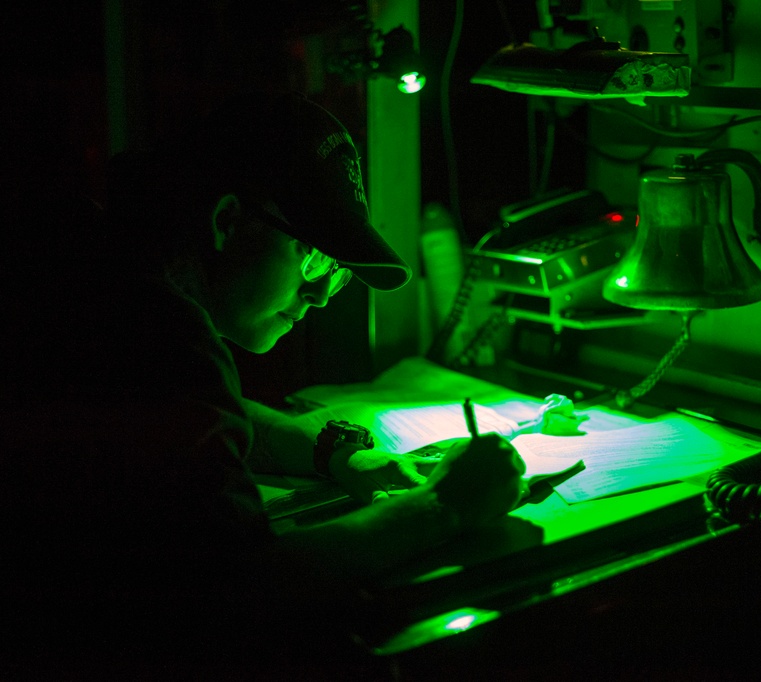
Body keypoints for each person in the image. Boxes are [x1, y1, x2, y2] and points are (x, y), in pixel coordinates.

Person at [0, 92, 528, 676]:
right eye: (313, 259)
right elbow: (240, 586)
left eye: (334, 272)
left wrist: (337, 453)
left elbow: (181, 417)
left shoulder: (88, 263)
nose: (322, 295)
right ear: (226, 221)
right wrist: (443, 506)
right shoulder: (161, 333)